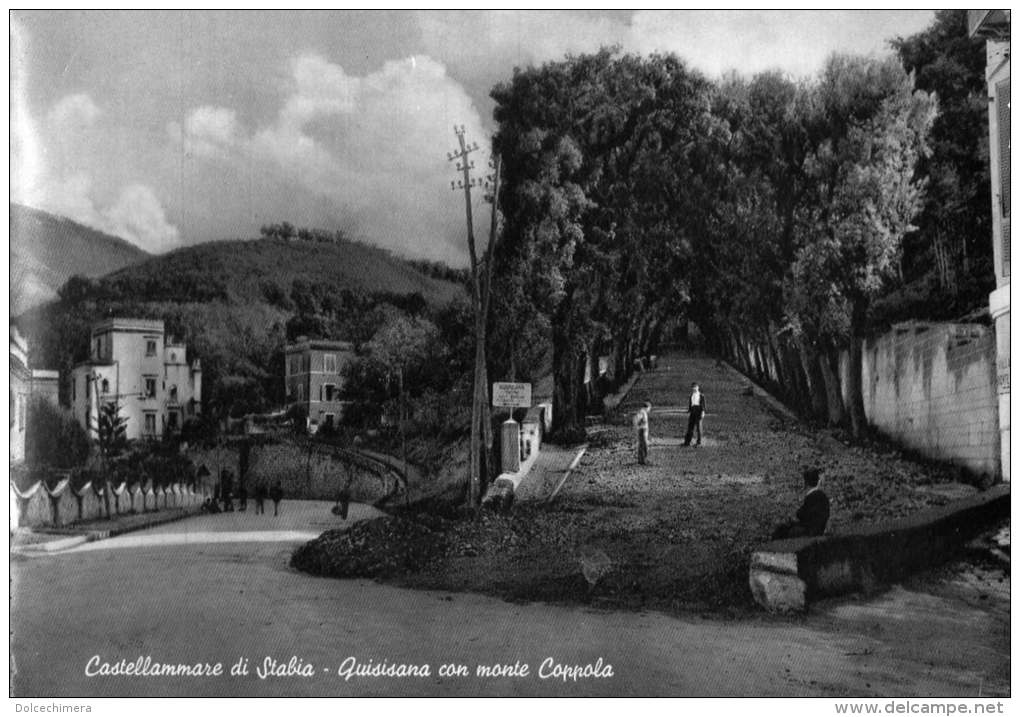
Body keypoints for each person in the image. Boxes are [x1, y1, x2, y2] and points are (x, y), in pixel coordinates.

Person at [772, 468, 830, 540]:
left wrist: (797, 514)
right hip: (818, 528)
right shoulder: (822, 496)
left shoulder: (812, 496)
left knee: (783, 530)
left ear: (806, 483)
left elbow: (804, 515)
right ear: (818, 481)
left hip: (810, 530)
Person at [683, 382, 706, 447]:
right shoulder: (691, 395)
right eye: (693, 387)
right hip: (693, 411)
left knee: (699, 427)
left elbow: (703, 405)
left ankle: (699, 442)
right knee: (690, 427)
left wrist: (703, 412)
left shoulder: (701, 395)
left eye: (695, 387)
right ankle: (687, 442)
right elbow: (691, 404)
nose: (694, 389)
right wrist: (689, 410)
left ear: (698, 387)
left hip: (699, 411)